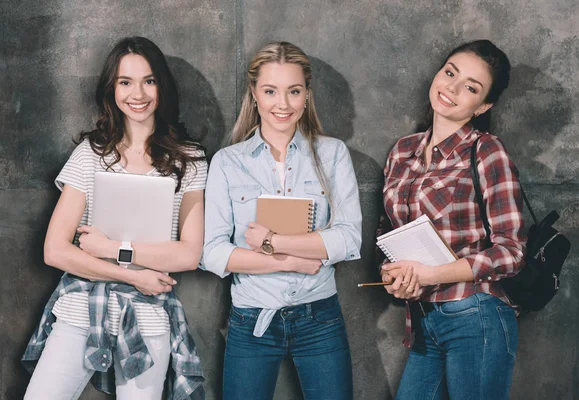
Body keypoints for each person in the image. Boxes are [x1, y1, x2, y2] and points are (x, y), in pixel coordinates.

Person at [22, 36, 206, 399]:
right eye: (125, 82)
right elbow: (55, 251)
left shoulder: (191, 158)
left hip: (149, 316)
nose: (137, 94)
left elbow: (188, 254)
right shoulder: (90, 154)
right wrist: (131, 275)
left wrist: (109, 248)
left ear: (162, 86)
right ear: (112, 89)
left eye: (148, 81)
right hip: (80, 312)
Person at [202, 41, 362, 400]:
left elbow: (349, 239)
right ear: (254, 95)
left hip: (320, 318)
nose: (283, 104)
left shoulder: (333, 154)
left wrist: (274, 241)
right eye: (271, 91)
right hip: (251, 320)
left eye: (294, 91)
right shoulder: (227, 162)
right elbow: (212, 253)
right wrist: (295, 261)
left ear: (307, 95)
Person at [380, 40, 526, 400]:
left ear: (484, 105)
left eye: (471, 88)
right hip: (423, 320)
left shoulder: (487, 150)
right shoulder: (402, 152)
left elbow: (511, 251)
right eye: (450, 73)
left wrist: (431, 275)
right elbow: (391, 233)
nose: (453, 89)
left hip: (476, 315)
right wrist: (393, 274)